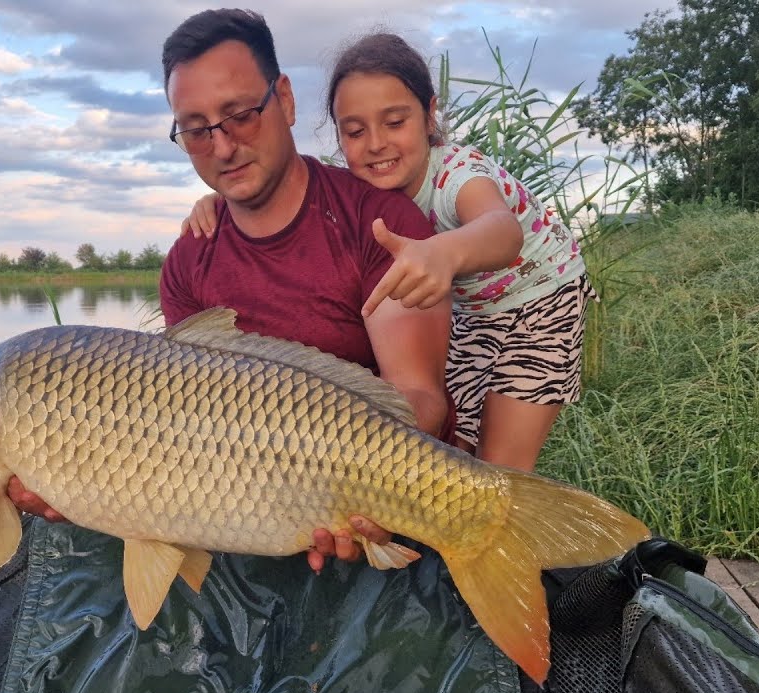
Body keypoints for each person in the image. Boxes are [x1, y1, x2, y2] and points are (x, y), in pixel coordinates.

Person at [9, 11, 455, 574]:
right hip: (249, 517)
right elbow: (184, 424)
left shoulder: (381, 226)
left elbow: (419, 395)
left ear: (285, 100)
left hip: (390, 510)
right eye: (196, 129)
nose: (222, 147)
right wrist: (79, 484)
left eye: (240, 116)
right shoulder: (189, 261)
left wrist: (360, 488)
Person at [183, 32, 596, 473]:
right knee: (456, 450)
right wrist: (219, 198)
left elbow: (502, 231)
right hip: (472, 313)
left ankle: (537, 513)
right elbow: (280, 180)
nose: (376, 144)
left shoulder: (458, 175)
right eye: (355, 131)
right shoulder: (364, 190)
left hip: (541, 305)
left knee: (501, 469)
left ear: (430, 116)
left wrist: (445, 253)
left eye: (395, 122)